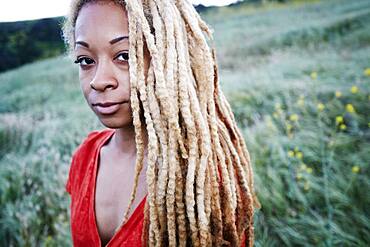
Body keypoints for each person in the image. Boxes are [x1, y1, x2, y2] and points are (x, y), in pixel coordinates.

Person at [62, 0, 259, 246]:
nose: (99, 81)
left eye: (124, 56)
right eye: (86, 61)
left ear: (166, 57)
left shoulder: (201, 173)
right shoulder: (85, 157)